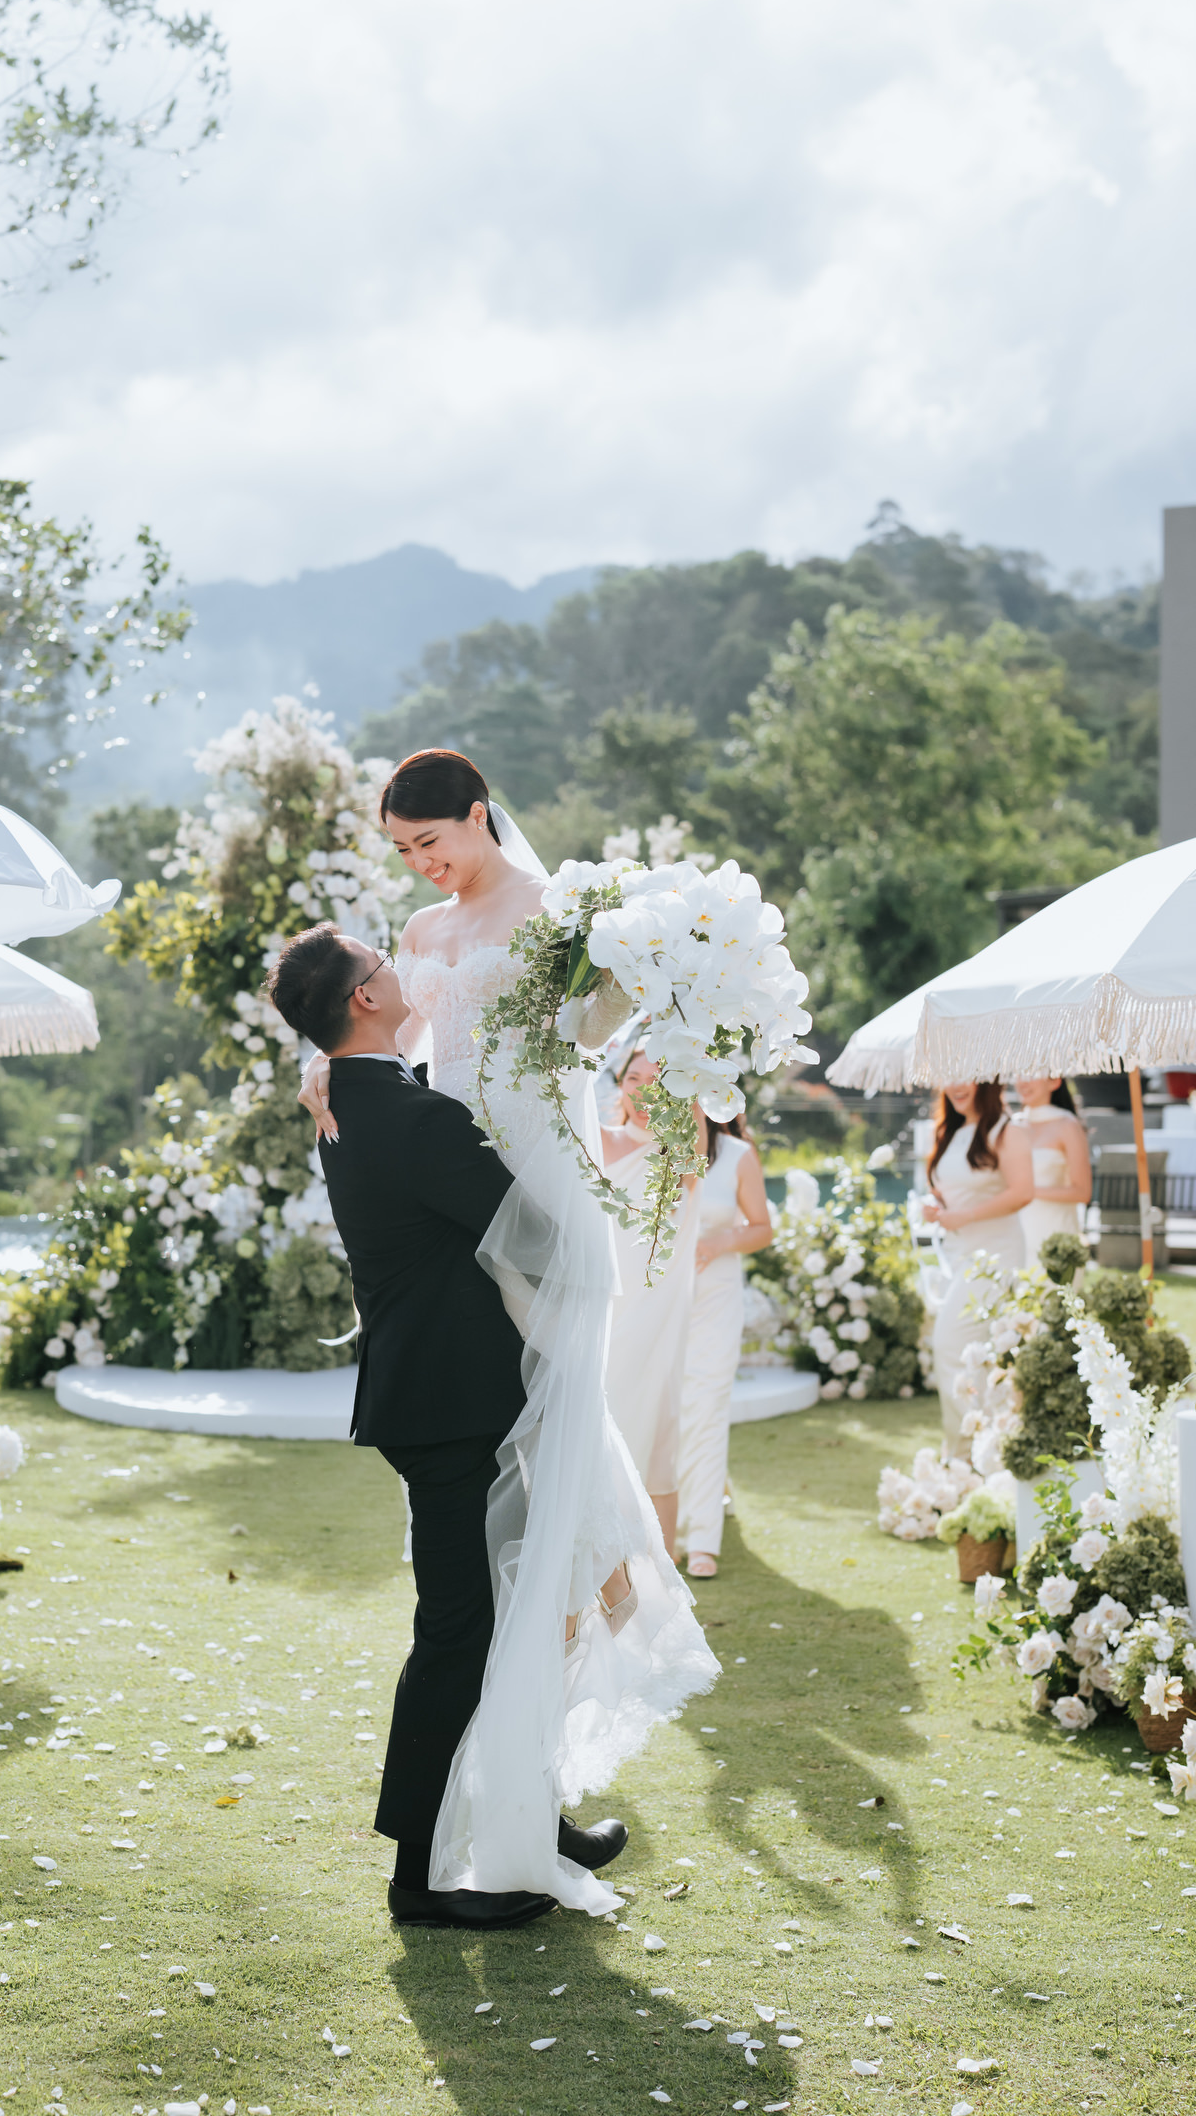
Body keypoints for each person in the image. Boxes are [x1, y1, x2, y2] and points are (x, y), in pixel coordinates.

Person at [295, 748, 717, 1920]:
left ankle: (530, 1806)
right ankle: (435, 1864)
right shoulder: (413, 962)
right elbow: (364, 1036)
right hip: (474, 1215)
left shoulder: (558, 915)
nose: (421, 869)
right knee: (492, 1580)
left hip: (509, 1185)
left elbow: (584, 1030)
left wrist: (665, 985)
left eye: (432, 841)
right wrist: (322, 1075)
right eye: (403, 853)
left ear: (482, 817)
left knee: (527, 1548)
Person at [269, 920, 567, 1932]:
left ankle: (537, 1813)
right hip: (452, 1405)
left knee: (507, 1616)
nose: (402, 971)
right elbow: (532, 1229)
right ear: (363, 999)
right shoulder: (406, 1117)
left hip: (436, 1391)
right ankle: (416, 1880)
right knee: (458, 1633)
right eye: (382, 966)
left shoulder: (351, 1101)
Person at [599, 1029, 701, 1559]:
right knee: (602, 1428)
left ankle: (661, 1567)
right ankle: (604, 1563)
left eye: (658, 1082)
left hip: (655, 1313)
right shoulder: (594, 1139)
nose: (642, 1091)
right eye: (634, 1078)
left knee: (655, 1432)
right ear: (618, 1084)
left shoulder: (680, 1152)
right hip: (601, 1310)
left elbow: (689, 1157)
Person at [674, 1109, 773, 1578]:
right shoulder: (649, 1145)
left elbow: (762, 1227)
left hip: (715, 1298)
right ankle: (664, 1527)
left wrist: (717, 1242)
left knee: (707, 1407)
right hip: (659, 1301)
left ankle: (701, 1539)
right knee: (666, 1413)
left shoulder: (737, 1155)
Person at [920, 1080, 1033, 1456]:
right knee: (975, 1354)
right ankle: (980, 1446)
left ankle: (971, 1449)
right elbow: (956, 1190)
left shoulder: (1007, 1130)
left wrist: (965, 1215)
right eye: (947, 1077)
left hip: (994, 1258)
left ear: (986, 1078)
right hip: (957, 1255)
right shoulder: (948, 1132)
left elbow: (1023, 1191)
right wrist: (937, 1207)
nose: (954, 1086)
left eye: (964, 1075)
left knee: (949, 1345)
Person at [1011, 1077, 1091, 1263]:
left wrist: (1028, 1191)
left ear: (1054, 1081)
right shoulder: (1012, 1125)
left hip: (1053, 1233)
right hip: (1015, 1232)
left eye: (1032, 1074)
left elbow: (1082, 1192)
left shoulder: (1067, 1125)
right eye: (1020, 1074)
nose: (1023, 1081)